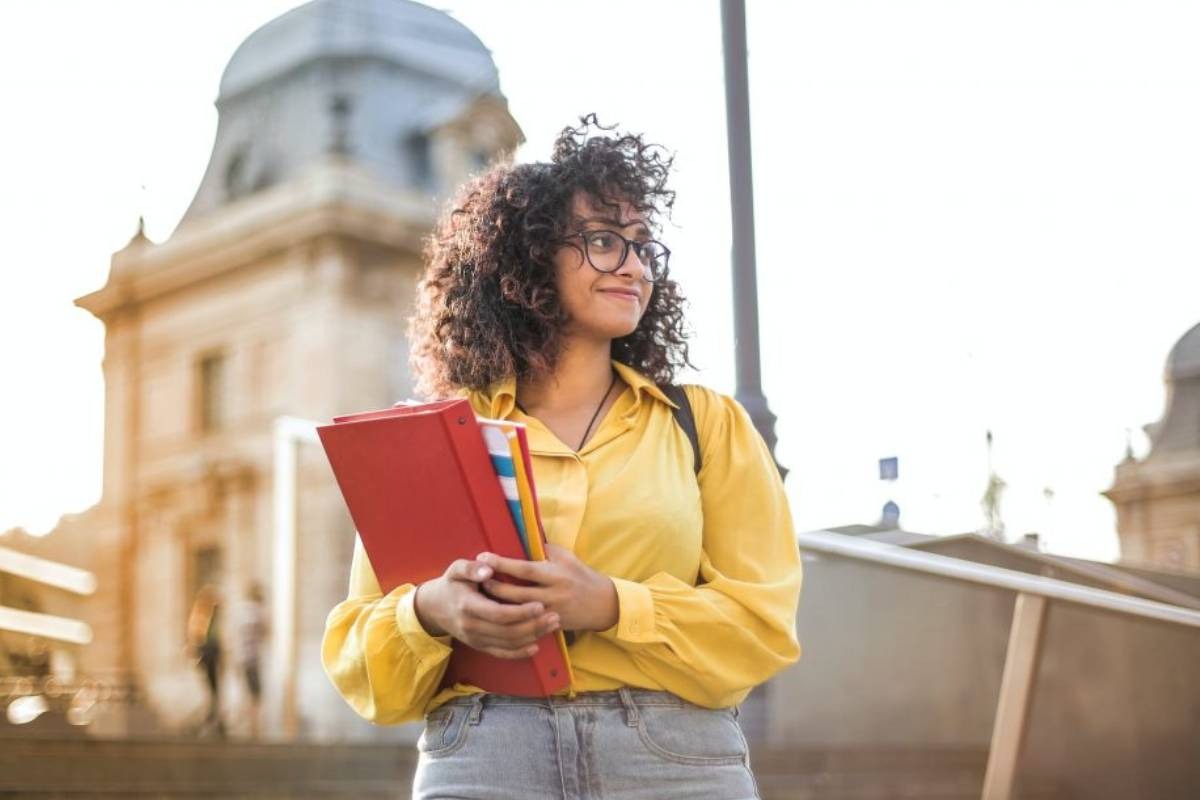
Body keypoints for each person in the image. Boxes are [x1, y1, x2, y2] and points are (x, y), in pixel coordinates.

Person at [321, 116, 802, 799]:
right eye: (604, 241)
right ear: (529, 258)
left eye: (642, 246)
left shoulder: (706, 425)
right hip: (484, 755)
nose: (634, 265)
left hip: (672, 758)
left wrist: (610, 604)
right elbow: (360, 661)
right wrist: (430, 611)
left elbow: (763, 627)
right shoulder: (438, 440)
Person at [186, 584, 224, 737]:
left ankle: (212, 717)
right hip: (207, 654)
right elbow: (197, 637)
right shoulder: (202, 615)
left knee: (214, 689)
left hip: (212, 654)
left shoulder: (211, 617)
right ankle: (209, 718)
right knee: (210, 689)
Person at [236, 582, 268, 738]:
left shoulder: (242, 610)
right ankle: (253, 728)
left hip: (241, 657)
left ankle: (250, 726)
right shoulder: (257, 612)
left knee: (249, 692)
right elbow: (265, 631)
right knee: (256, 694)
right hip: (252, 658)